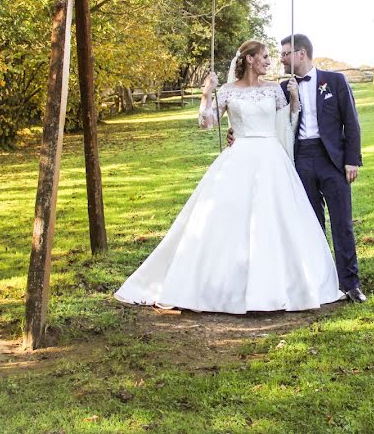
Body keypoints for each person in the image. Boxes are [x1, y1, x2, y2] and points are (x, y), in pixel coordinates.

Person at [114, 40, 343, 313]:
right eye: (265, 57)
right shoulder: (227, 91)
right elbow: (207, 124)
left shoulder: (274, 90)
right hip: (239, 159)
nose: (270, 62)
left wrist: (294, 99)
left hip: (272, 159)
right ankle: (224, 284)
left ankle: (282, 284)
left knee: (276, 219)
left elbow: (288, 125)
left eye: (271, 57)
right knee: (227, 219)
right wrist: (206, 94)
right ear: (248, 59)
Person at [230, 34, 366, 302]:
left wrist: (352, 159)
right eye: (279, 54)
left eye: (285, 54)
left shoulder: (335, 81)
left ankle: (350, 283)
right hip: (300, 159)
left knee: (342, 223)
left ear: (301, 54)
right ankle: (317, 282)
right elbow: (256, 113)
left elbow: (351, 121)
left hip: (333, 160)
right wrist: (235, 134)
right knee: (309, 224)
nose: (281, 58)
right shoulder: (280, 88)